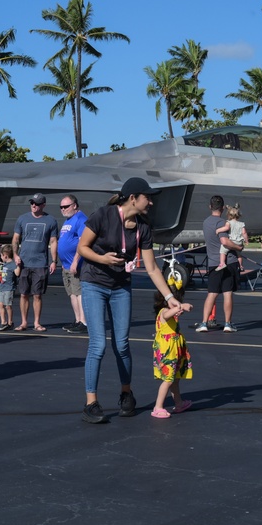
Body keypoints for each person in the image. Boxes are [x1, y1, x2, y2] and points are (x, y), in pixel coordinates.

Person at [76, 177, 182, 424]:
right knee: (98, 345)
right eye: (148, 197)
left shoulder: (143, 227)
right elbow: (83, 247)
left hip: (120, 287)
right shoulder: (103, 215)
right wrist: (103, 260)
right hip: (94, 284)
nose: (151, 202)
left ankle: (126, 394)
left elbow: (152, 267)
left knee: (122, 344)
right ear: (133, 198)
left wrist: (169, 297)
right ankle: (91, 403)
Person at [11, 192, 59, 332]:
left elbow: (53, 241)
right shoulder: (22, 219)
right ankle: (24, 322)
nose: (34, 205)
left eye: (37, 203)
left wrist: (54, 261)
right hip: (24, 262)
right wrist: (15, 255)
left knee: (37, 295)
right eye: (32, 203)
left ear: (43, 205)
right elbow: (15, 239)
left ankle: (37, 322)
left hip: (40, 263)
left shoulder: (50, 220)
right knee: (24, 294)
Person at [198, 195, 244, 333]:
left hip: (213, 262)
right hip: (228, 261)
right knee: (227, 293)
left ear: (210, 207)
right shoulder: (222, 223)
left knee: (212, 293)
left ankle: (204, 323)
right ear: (223, 208)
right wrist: (238, 248)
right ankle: (228, 324)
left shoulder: (206, 222)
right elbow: (224, 241)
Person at [151, 282, 194, 419]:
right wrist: (181, 306)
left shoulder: (170, 314)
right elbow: (166, 315)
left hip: (174, 350)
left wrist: (178, 310)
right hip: (167, 351)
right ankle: (158, 407)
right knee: (168, 379)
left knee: (174, 379)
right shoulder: (163, 312)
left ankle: (179, 403)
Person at [58, 194, 88, 334]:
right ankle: (77, 320)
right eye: (61, 207)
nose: (63, 209)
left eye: (66, 206)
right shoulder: (68, 220)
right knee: (72, 293)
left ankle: (83, 321)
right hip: (66, 265)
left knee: (79, 293)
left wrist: (75, 261)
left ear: (74, 205)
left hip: (76, 265)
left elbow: (83, 242)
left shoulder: (80, 219)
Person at [215, 205, 247, 271]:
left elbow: (226, 228)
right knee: (239, 255)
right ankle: (241, 266)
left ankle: (222, 263)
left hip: (232, 241)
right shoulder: (241, 224)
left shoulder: (228, 222)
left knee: (223, 250)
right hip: (239, 242)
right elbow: (244, 233)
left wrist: (218, 230)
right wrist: (246, 240)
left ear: (229, 215)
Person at [0, 244, 17, 331]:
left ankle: (10, 322)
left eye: (1, 255)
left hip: (9, 288)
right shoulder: (3, 265)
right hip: (2, 287)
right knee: (0, 304)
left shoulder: (13, 265)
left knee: (8, 306)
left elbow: (17, 273)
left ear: (5, 256)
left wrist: (18, 265)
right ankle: (3, 322)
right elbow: (0, 274)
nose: (0, 257)